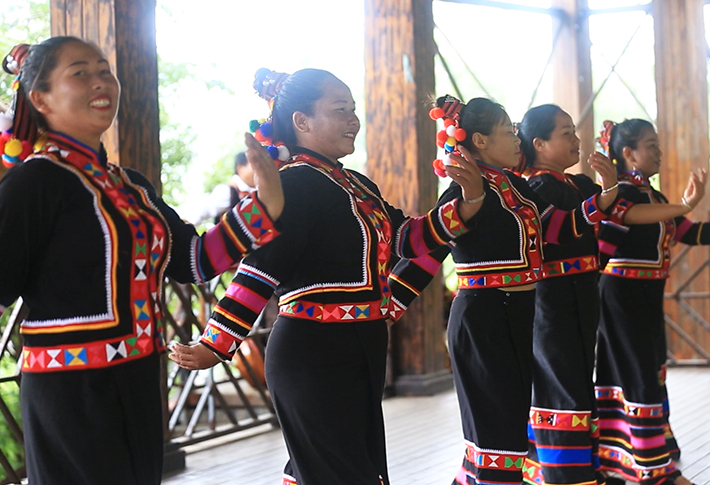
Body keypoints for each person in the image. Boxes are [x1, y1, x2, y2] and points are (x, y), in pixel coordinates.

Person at [169, 69, 486, 485]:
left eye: (353, 110)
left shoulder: (357, 184)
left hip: (359, 346)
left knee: (344, 468)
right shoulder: (293, 184)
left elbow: (407, 238)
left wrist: (469, 202)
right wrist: (217, 343)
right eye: (340, 110)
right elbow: (260, 270)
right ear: (301, 121)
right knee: (339, 473)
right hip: (313, 352)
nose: (353, 120)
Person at [0, 37, 285, 484]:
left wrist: (263, 206)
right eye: (80, 73)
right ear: (40, 99)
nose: (100, 82)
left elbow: (191, 260)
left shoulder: (131, 186)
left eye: (104, 70)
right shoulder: (32, 183)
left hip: (139, 379)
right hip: (71, 391)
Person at [388, 95, 620, 485]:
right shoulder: (465, 191)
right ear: (480, 141)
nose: (517, 138)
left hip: (517, 315)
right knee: (495, 439)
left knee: (508, 433)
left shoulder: (516, 187)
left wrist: (607, 194)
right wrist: (386, 309)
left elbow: (559, 227)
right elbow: (426, 254)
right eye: (507, 131)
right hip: (482, 319)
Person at [516, 105, 708, 485]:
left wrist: (684, 206)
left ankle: (591, 470)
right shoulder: (534, 189)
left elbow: (625, 213)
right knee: (563, 391)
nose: (576, 139)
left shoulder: (579, 184)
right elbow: (561, 227)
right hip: (553, 303)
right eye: (566, 133)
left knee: (580, 389)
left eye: (575, 132)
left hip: (582, 299)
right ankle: (562, 476)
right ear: (539, 144)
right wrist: (605, 194)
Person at [594, 119, 710, 485]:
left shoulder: (652, 197)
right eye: (651, 145)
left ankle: (626, 455)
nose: (659, 152)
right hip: (621, 297)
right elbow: (606, 240)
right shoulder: (620, 196)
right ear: (628, 153)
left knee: (648, 369)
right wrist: (684, 204)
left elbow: (684, 231)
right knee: (636, 375)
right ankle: (652, 468)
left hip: (645, 297)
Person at [180, 151, 256, 226]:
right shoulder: (226, 191)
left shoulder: (256, 193)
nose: (260, 170)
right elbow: (202, 211)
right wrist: (184, 228)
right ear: (240, 168)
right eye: (255, 166)